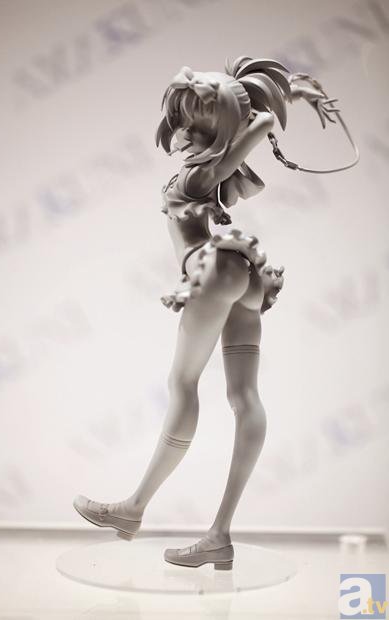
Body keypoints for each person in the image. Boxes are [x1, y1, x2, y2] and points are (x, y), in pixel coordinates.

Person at [73, 56, 339, 570]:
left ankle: (132, 509)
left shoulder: (198, 176)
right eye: (184, 121)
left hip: (213, 271)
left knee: (183, 384)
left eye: (197, 122)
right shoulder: (205, 170)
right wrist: (291, 92)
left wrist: (265, 115)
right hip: (244, 276)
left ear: (216, 129)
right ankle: (219, 535)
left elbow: (247, 136)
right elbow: (247, 131)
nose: (182, 132)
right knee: (244, 396)